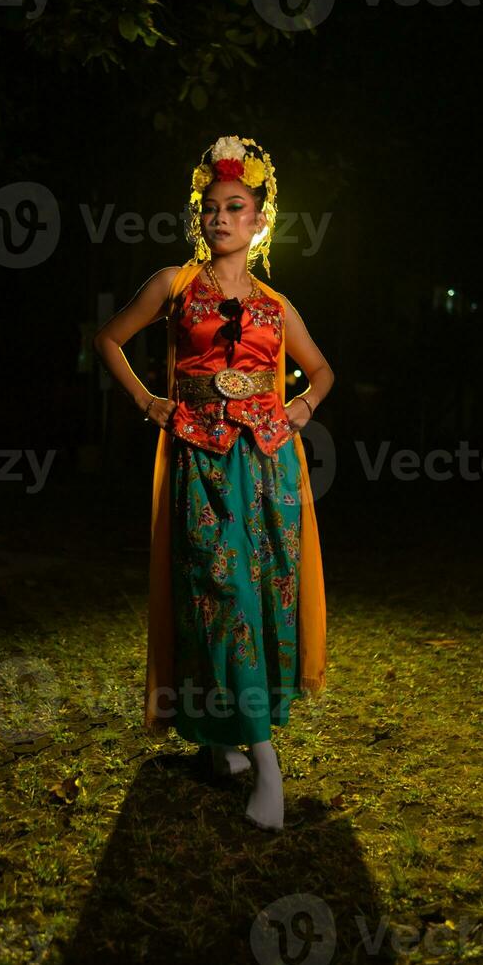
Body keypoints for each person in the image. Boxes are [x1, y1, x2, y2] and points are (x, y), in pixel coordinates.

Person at [94, 135, 334, 831]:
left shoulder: (276, 305)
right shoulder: (173, 284)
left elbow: (322, 371)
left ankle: (222, 737)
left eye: (236, 207)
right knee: (217, 592)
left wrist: (302, 408)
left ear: (261, 220)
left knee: (260, 598)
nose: (220, 218)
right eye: (210, 207)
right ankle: (264, 760)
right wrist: (149, 402)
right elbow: (109, 339)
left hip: (268, 467)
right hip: (200, 460)